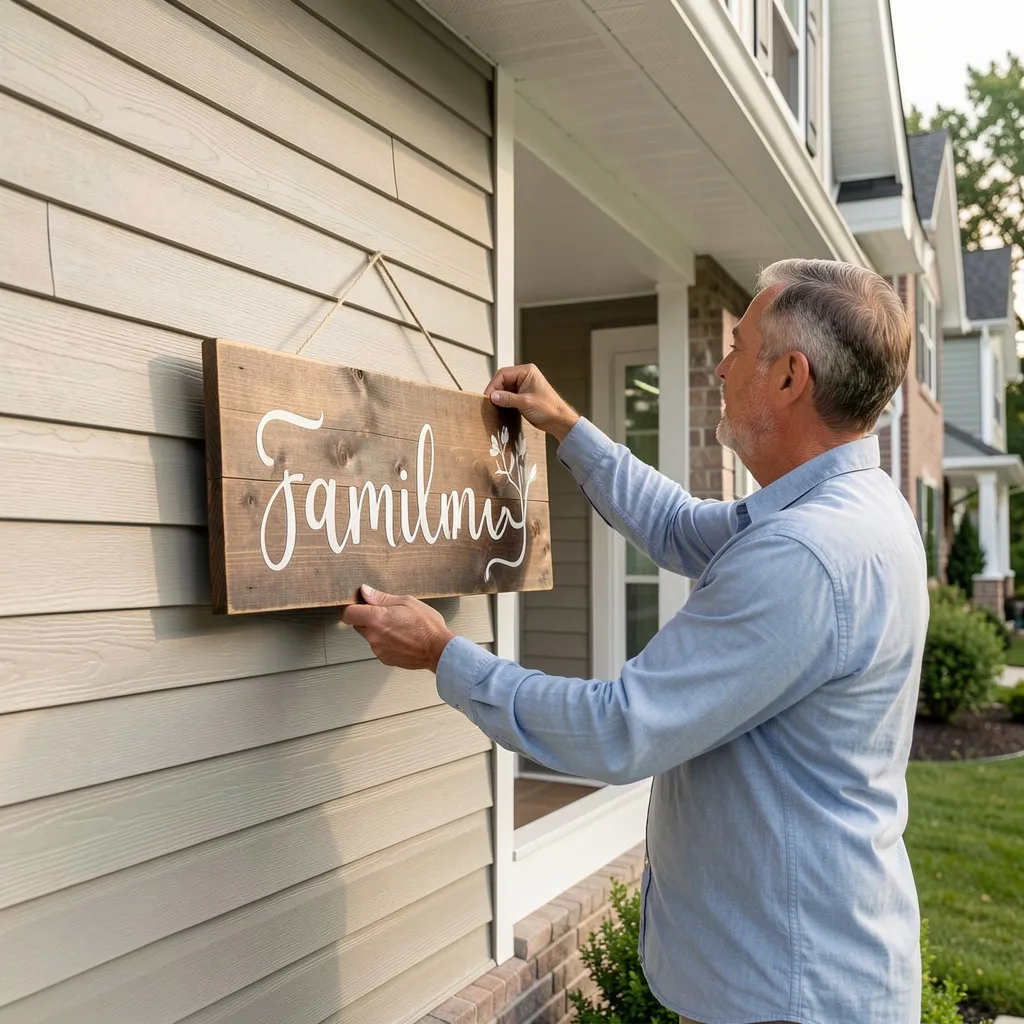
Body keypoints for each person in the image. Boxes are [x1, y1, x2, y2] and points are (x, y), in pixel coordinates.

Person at [342, 259, 927, 1024]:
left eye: (739, 346)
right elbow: (683, 528)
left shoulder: (809, 553)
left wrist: (441, 655)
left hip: (788, 994)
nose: (720, 365)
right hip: (798, 973)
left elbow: (620, 730)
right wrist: (568, 427)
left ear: (789, 377)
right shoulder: (845, 507)